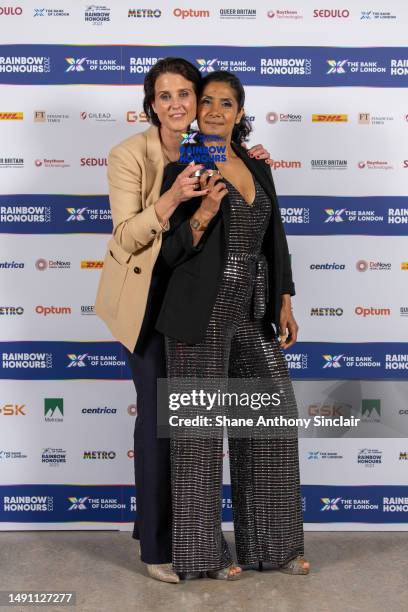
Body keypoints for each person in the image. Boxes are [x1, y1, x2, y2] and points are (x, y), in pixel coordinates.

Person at [94, 57, 273, 583]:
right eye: (165, 95)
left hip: (200, 306)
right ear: (151, 103)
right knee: (159, 425)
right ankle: (156, 547)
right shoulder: (129, 154)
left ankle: (196, 540)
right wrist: (170, 199)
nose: (177, 104)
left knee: (194, 427)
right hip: (148, 303)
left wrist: (251, 159)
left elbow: (243, 198)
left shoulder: (211, 147)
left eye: (186, 94)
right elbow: (125, 237)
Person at [155, 70, 310, 580]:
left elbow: (276, 240)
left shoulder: (258, 167)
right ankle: (202, 558)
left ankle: (273, 547)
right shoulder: (187, 167)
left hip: (253, 308)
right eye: (207, 102)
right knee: (199, 439)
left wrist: (284, 300)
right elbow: (169, 253)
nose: (216, 110)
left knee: (269, 426)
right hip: (200, 312)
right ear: (197, 113)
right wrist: (203, 212)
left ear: (240, 113)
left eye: (226, 103)